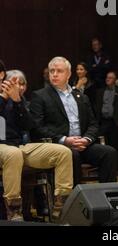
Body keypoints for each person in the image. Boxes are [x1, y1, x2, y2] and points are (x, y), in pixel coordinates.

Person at [30, 56, 118, 186]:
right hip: (59, 145)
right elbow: (37, 127)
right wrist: (64, 139)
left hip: (82, 144)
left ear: (69, 74)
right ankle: (75, 199)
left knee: (109, 153)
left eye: (59, 71)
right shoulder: (40, 96)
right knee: (72, 155)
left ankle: (108, 196)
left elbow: (93, 124)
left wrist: (86, 139)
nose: (54, 74)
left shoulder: (81, 96)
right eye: (51, 71)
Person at [0, 65, 73, 221]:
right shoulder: (3, 98)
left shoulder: (19, 99)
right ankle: (14, 211)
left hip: (18, 147)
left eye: (21, 83)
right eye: (14, 83)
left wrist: (18, 101)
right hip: (4, 148)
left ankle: (61, 208)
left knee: (63, 152)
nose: (18, 87)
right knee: (14, 153)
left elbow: (28, 126)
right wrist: (3, 99)